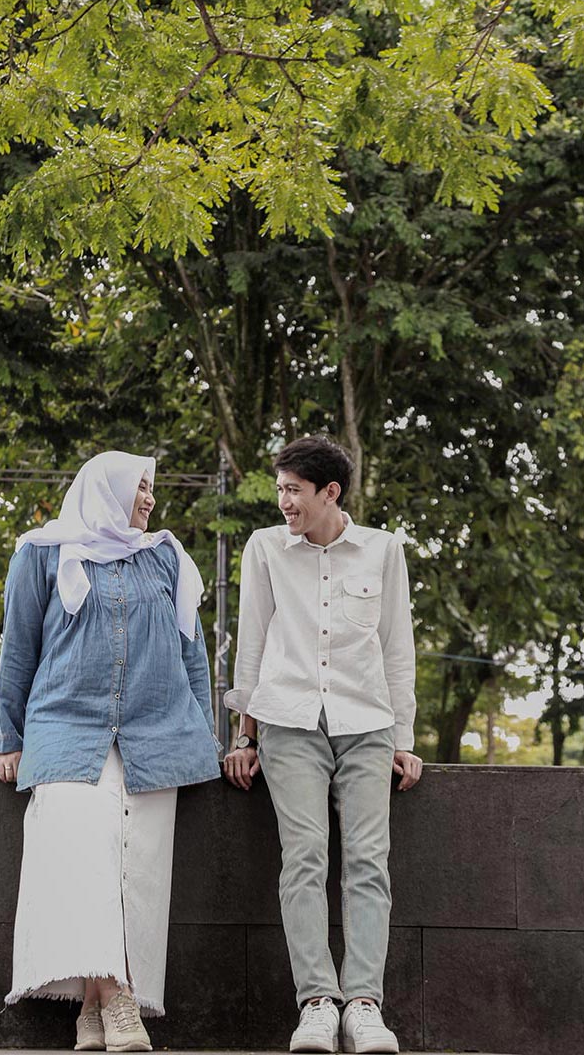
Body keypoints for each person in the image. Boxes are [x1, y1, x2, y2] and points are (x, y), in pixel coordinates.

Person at [0, 450, 221, 1053]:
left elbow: (191, 651)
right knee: (81, 852)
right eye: (140, 487)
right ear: (106, 491)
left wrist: (204, 739)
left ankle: (91, 1007)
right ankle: (118, 996)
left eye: (151, 488)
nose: (150, 499)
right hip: (64, 730)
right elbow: (19, 647)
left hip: (156, 734)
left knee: (137, 869)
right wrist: (8, 733)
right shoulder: (41, 553)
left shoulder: (164, 557)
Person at [224, 435, 422, 1055]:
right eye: (280, 489)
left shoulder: (384, 550)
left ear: (330, 492)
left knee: (369, 860)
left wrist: (404, 738)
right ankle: (316, 1003)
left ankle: (364, 1005)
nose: (283, 501)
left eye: (294, 490)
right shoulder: (264, 548)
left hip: (367, 724)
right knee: (304, 855)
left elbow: (397, 648)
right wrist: (244, 734)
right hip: (289, 723)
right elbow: (252, 642)